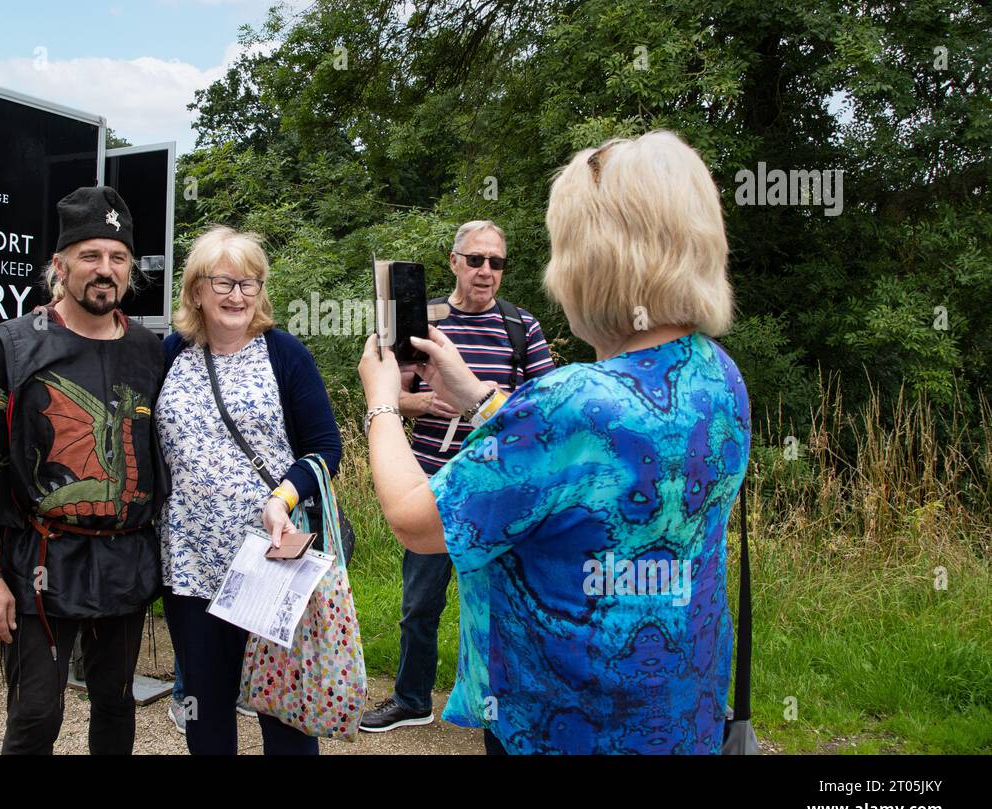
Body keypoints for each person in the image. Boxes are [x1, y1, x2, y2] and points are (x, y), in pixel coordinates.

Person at [357, 130, 751, 754]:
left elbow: (414, 521)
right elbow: (586, 455)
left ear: (596, 258)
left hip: (564, 725)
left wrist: (381, 397)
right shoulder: (716, 373)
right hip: (682, 710)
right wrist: (477, 394)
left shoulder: (570, 401)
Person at [0, 185, 165, 755]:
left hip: (126, 558)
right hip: (40, 559)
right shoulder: (15, 345)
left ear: (130, 268)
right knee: (35, 714)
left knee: (115, 703)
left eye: (118, 258)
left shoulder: (151, 351)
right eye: (90, 256)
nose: (105, 270)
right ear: (60, 265)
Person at [361, 220, 555, 733]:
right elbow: (388, 391)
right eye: (476, 260)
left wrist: (480, 401)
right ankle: (411, 698)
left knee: (502, 608)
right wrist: (418, 402)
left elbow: (547, 415)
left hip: (497, 493)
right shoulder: (419, 322)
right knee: (419, 604)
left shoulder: (522, 327)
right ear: (453, 262)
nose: (486, 271)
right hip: (428, 484)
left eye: (497, 262)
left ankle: (503, 712)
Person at [156, 225, 343, 755]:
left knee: (282, 710)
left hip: (270, 562)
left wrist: (283, 495)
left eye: (250, 284)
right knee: (205, 709)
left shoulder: (284, 353)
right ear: (196, 290)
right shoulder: (171, 353)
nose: (238, 295)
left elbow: (327, 446)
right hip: (192, 565)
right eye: (224, 283)